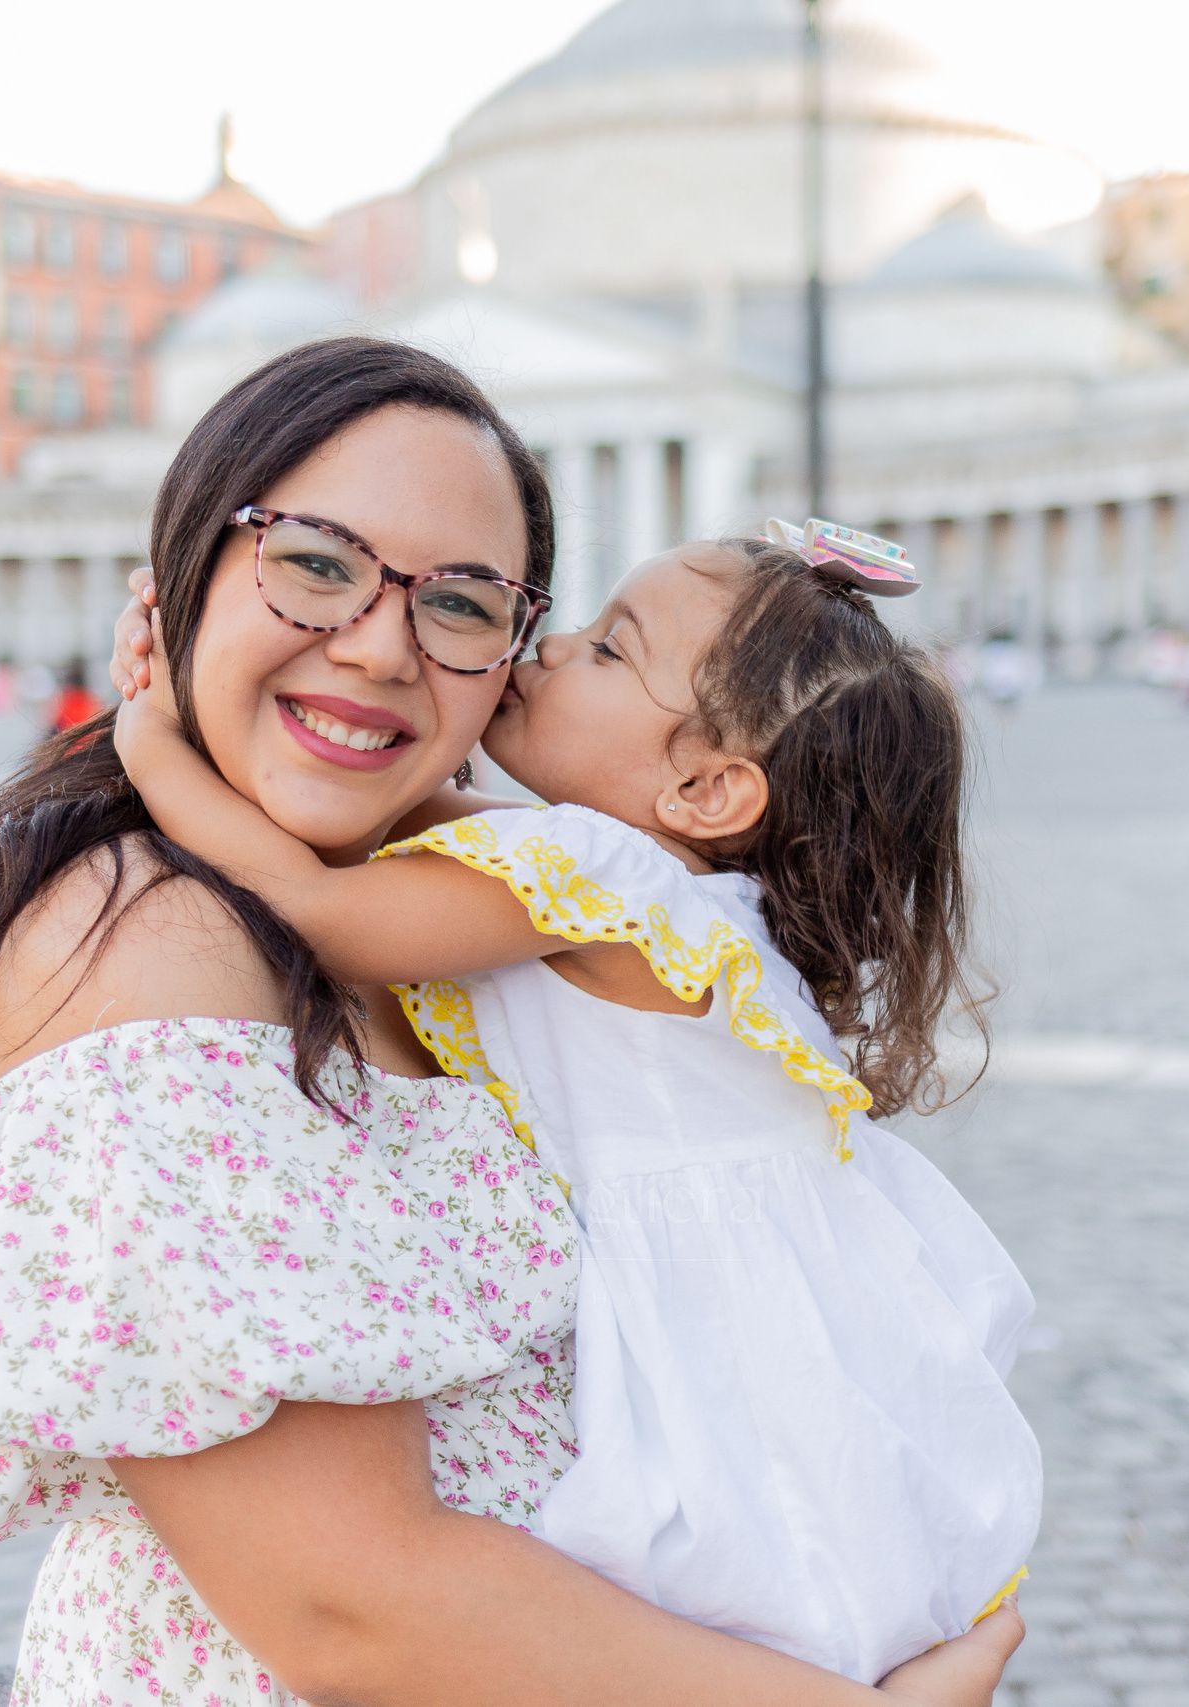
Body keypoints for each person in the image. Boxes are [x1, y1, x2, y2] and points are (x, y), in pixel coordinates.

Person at [0, 338, 1021, 1707]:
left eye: (462, 602)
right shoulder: (161, 944)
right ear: (177, 579)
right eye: (319, 561)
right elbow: (348, 1601)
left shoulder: (461, 907)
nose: (380, 644)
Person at [112, 524, 1034, 1683]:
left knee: (721, 1576)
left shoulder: (607, 877)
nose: (547, 647)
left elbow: (321, 901)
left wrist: (152, 739)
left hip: (704, 1311)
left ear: (704, 788)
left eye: (607, 650)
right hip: (777, 1303)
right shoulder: (665, 885)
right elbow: (407, 825)